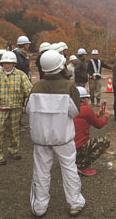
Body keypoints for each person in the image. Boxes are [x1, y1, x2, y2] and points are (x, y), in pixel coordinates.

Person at [27, 49, 85, 217]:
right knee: (69, 169)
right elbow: (74, 112)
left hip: (41, 139)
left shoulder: (36, 86)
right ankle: (74, 203)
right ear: (61, 66)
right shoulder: (69, 86)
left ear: (44, 69)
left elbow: (29, 110)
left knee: (41, 172)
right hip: (63, 137)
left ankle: (39, 207)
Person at [0, 51, 32, 165]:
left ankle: (14, 151)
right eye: (5, 63)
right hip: (0, 108)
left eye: (10, 63)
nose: (8, 65)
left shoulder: (21, 75)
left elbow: (29, 89)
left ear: (14, 63)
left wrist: (30, 100)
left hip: (16, 107)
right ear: (2, 63)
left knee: (14, 131)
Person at [73, 86, 110, 176]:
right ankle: (82, 166)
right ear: (84, 99)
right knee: (104, 142)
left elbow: (87, 119)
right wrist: (106, 116)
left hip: (68, 145)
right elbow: (99, 125)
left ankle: (74, 162)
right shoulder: (85, 109)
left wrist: (98, 114)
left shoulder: (72, 107)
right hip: (79, 145)